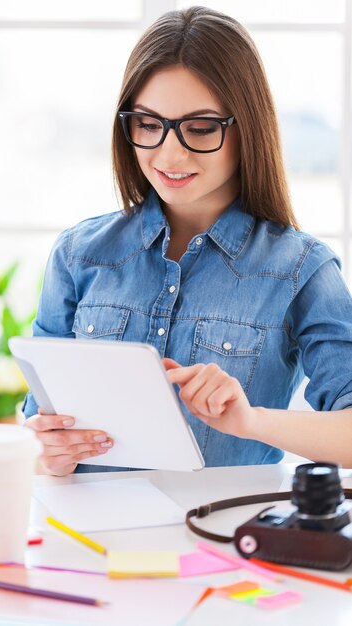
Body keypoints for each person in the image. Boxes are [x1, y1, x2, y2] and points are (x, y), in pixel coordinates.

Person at [23, 6, 352, 476]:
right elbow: (39, 427)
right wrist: (48, 453)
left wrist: (251, 421)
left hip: (219, 540)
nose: (169, 153)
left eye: (200, 128)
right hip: (85, 543)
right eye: (148, 124)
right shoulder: (79, 254)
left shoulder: (302, 269)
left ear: (249, 129)